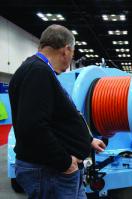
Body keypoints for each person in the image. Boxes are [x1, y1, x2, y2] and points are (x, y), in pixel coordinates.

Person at [9, 24, 106, 199]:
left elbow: (54, 120)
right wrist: (66, 163)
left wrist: (88, 140)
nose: (71, 58)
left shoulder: (37, 69)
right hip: (50, 171)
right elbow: (33, 127)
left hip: (53, 171)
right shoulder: (38, 72)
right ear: (66, 50)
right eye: (73, 53)